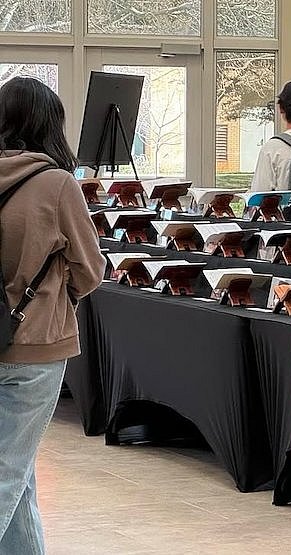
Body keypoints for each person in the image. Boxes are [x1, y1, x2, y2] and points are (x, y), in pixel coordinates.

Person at [0, 77, 104, 552]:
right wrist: (57, 290)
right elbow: (91, 270)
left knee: (16, 473)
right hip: (36, 344)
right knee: (7, 474)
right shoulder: (58, 185)